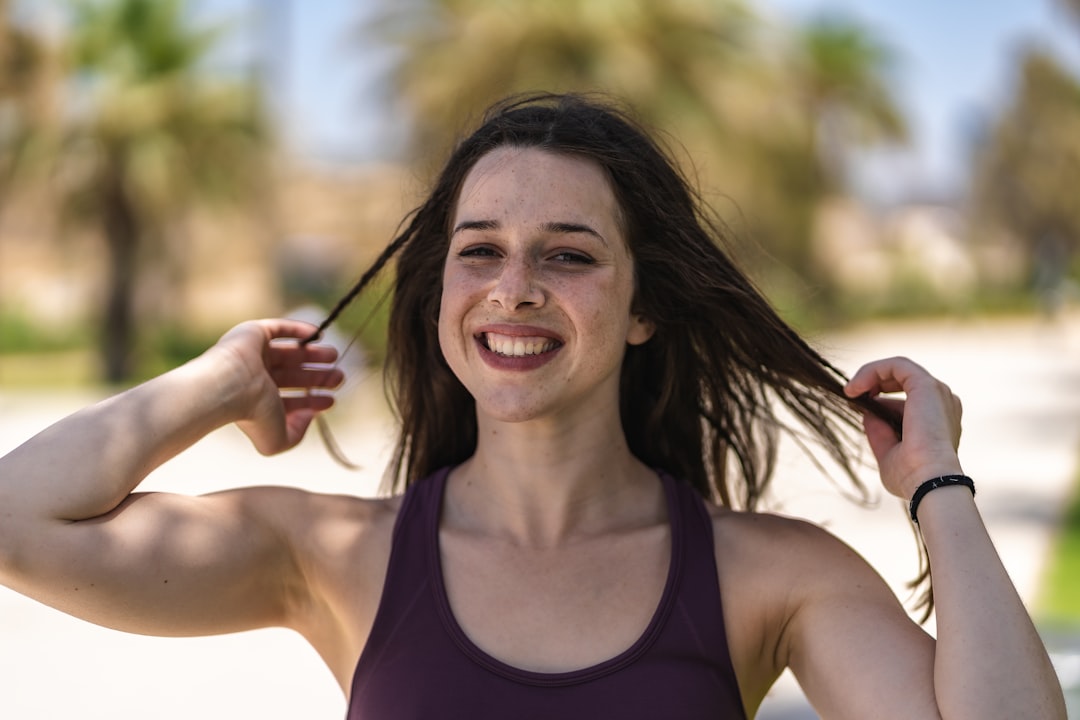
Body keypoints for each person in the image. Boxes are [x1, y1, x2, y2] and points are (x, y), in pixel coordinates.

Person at [0, 93, 1066, 719]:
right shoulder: (332, 554)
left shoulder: (771, 574)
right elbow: (16, 521)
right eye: (481, 254)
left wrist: (938, 483)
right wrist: (220, 383)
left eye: (569, 254)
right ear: (443, 298)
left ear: (644, 306)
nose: (515, 288)